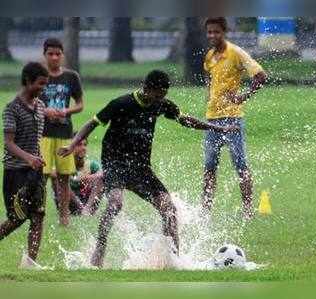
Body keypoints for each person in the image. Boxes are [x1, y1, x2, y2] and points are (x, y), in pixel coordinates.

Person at [58, 70, 238, 268]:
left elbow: (185, 120)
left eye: (163, 96)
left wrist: (216, 128)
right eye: (157, 95)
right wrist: (73, 144)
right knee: (115, 204)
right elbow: (92, 123)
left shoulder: (159, 105)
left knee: (169, 208)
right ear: (147, 88)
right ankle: (99, 249)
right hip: (115, 164)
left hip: (141, 168)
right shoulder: (121, 104)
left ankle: (174, 259)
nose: (159, 100)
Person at [201, 17, 267, 219]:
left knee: (240, 164)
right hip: (211, 119)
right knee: (209, 167)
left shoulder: (236, 53)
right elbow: (208, 77)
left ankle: (247, 210)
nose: (212, 36)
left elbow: (261, 76)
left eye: (216, 32)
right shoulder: (210, 56)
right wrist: (209, 96)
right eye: (209, 32)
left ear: (224, 32)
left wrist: (243, 96)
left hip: (232, 119)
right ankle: (205, 211)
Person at [0, 62, 49, 268]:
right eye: (40, 84)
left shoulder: (41, 107)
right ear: (28, 81)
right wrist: (29, 158)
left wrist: (36, 160)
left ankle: (30, 264)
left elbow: (35, 139)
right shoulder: (12, 109)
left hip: (35, 172)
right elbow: (8, 143)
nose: (43, 88)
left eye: (45, 84)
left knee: (38, 216)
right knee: (16, 219)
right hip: (15, 172)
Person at [40, 38, 84, 226]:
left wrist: (66, 111)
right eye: (50, 53)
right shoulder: (38, 76)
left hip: (65, 133)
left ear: (63, 55)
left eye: (58, 53)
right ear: (45, 55)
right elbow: (27, 101)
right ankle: (38, 211)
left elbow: (80, 104)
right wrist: (44, 110)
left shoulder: (71, 77)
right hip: (42, 133)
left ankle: (64, 216)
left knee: (64, 177)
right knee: (41, 175)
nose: (55, 57)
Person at [69, 133, 103, 216]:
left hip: (87, 202)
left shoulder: (90, 164)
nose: (83, 148)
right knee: (61, 182)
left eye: (85, 145)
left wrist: (89, 177)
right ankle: (79, 209)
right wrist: (75, 178)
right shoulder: (65, 164)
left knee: (100, 179)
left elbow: (102, 173)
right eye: (79, 145)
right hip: (70, 204)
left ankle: (88, 209)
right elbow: (53, 173)